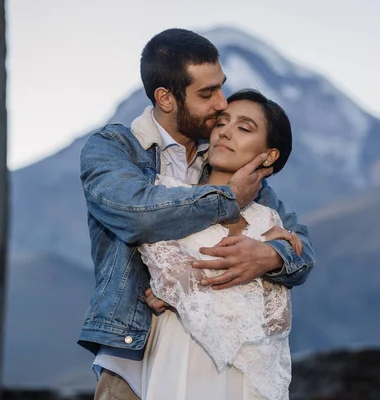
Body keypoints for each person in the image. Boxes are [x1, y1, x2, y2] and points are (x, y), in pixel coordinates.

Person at [78, 28, 315, 400]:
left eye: (221, 86)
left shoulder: (226, 162)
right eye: (207, 94)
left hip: (219, 364)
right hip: (135, 355)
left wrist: (269, 255)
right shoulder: (116, 148)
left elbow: (300, 250)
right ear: (166, 99)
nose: (222, 104)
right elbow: (138, 215)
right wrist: (228, 197)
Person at [140, 89, 298, 400]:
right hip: (181, 357)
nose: (225, 131)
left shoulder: (269, 220)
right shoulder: (167, 195)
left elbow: (277, 321)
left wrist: (190, 288)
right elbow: (169, 283)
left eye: (244, 127)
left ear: (269, 155)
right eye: (222, 122)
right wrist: (256, 253)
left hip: (247, 376)